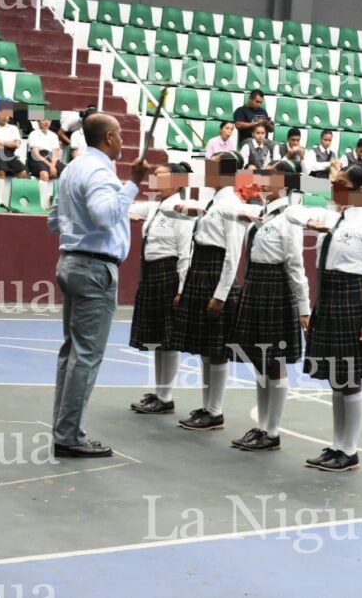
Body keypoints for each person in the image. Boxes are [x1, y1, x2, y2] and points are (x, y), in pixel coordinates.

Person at [46, 112, 148, 458]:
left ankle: (63, 428)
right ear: (107, 138)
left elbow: (52, 219)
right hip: (94, 268)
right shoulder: (102, 171)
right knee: (86, 356)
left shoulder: (73, 167)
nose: (122, 140)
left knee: (70, 353)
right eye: (119, 134)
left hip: (71, 261)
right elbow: (105, 216)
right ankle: (69, 435)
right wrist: (132, 185)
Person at [286, 164, 362, 472]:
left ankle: (350, 450)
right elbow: (292, 212)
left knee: (351, 379)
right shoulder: (333, 217)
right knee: (335, 378)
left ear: (358, 190)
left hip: (352, 300)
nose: (333, 186)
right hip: (329, 298)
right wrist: (316, 223)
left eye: (340, 182)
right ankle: (336, 446)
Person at [227, 164, 311, 452]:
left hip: (276, 286)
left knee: (274, 363)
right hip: (257, 284)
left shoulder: (290, 216)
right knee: (260, 361)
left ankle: (272, 431)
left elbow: (296, 265)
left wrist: (304, 307)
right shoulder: (262, 213)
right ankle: (262, 426)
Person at [168, 151, 246, 431]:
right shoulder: (211, 202)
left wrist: (221, 294)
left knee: (216, 349)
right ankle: (206, 407)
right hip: (201, 271)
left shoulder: (232, 204)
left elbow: (233, 254)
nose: (206, 172)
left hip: (215, 275)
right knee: (205, 347)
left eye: (211, 168)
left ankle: (216, 410)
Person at [128, 162, 194, 415]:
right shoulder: (155, 207)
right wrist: (130, 215)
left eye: (161, 177)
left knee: (168, 339)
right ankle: (160, 393)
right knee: (157, 338)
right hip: (151, 273)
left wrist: (182, 288)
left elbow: (184, 252)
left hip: (169, 275)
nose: (155, 181)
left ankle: (166, 396)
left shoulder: (181, 210)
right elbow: (122, 206)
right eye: (154, 177)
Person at [0, 109, 27, 179]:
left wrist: (0, 142)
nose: (5, 117)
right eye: (3, 114)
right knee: (1, 171)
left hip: (10, 155)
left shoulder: (14, 128)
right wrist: (9, 145)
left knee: (23, 172)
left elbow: (16, 145)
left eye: (7, 115)